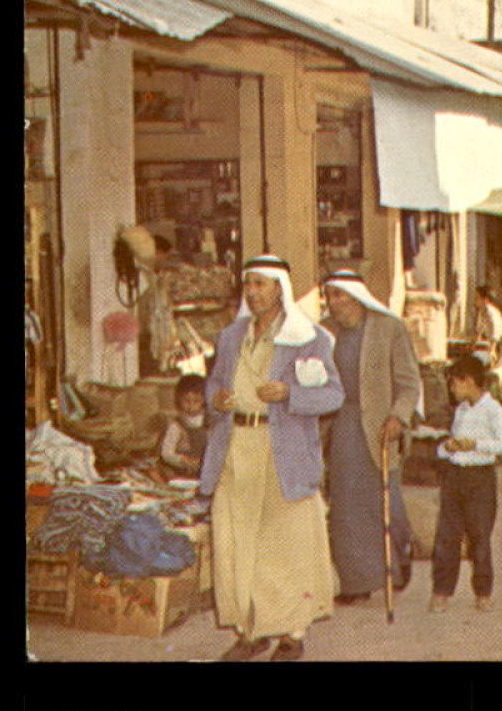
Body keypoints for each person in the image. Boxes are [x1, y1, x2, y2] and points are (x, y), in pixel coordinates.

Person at [200, 255, 343, 662]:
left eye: (261, 283)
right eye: (249, 283)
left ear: (280, 287)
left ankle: (292, 634)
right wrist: (216, 399)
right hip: (235, 450)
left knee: (288, 546)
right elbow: (214, 383)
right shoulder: (230, 337)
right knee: (235, 542)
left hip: (284, 452)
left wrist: (290, 395)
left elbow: (333, 395)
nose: (253, 291)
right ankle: (249, 631)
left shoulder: (309, 337)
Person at [318, 269, 420, 606]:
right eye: (329, 295)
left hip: (380, 425)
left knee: (385, 503)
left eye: (339, 295)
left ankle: (401, 554)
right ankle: (356, 580)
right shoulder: (327, 332)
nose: (333, 303)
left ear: (356, 296)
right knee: (346, 504)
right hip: (342, 424)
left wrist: (398, 417)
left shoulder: (388, 328)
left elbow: (409, 383)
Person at [430, 356, 502, 613]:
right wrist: (448, 447)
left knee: (480, 537)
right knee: (447, 536)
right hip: (456, 476)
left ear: (468, 381)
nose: (452, 390)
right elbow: (450, 443)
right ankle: (442, 591)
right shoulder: (461, 410)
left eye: (454, 384)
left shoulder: (493, 410)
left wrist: (475, 444)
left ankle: (483, 591)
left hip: (480, 479)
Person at [159, 373, 209, 479]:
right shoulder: (176, 426)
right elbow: (166, 453)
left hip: (204, 473)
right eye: (186, 401)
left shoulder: (209, 424)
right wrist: (182, 460)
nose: (191, 406)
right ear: (179, 400)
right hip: (180, 474)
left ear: (204, 401)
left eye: (196, 401)